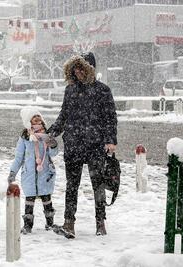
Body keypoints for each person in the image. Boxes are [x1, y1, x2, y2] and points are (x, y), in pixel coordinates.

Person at [48, 52, 118, 238]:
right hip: (73, 144)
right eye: (75, 68)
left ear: (90, 70)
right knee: (72, 185)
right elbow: (63, 116)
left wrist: (111, 140)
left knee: (98, 185)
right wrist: (52, 133)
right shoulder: (70, 90)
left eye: (81, 68)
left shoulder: (103, 90)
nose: (78, 72)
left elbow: (110, 118)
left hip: (95, 145)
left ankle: (100, 222)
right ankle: (69, 223)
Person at [8, 107, 59, 234]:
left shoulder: (46, 134)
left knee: (46, 197)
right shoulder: (25, 137)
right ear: (28, 121)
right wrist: (13, 172)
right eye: (33, 118)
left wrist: (52, 144)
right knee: (29, 199)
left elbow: (53, 153)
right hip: (29, 174)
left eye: (38, 117)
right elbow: (19, 157)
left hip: (45, 172)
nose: (37, 119)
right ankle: (28, 225)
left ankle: (50, 223)